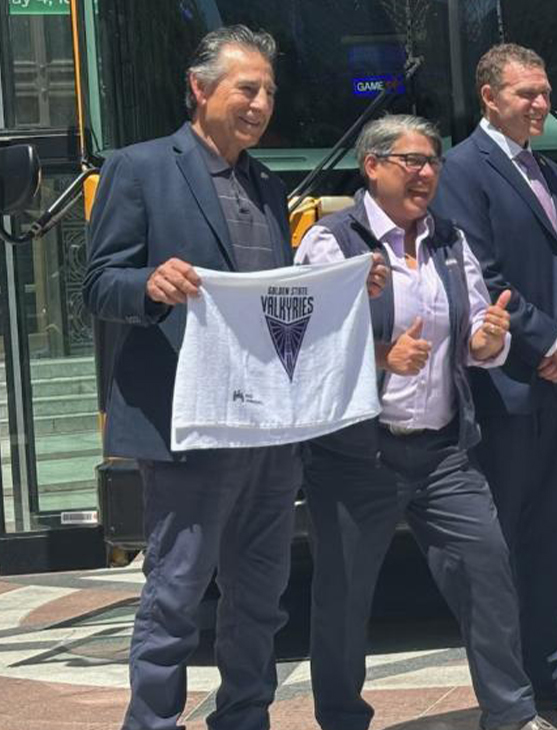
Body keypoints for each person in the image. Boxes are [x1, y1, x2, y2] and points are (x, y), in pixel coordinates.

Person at [83, 26, 381, 730]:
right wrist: (149, 284)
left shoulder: (269, 185)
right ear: (200, 88)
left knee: (261, 593)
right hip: (187, 424)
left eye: (269, 92)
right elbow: (99, 284)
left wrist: (342, 294)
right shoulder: (141, 168)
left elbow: (277, 302)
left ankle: (245, 717)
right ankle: (152, 722)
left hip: (268, 427)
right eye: (247, 88)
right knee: (176, 591)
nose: (261, 104)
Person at [296, 115, 554, 730]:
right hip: (359, 455)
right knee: (343, 597)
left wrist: (490, 340)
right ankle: (340, 718)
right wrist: (379, 357)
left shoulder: (450, 241)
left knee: (488, 572)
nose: (426, 172)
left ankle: (512, 714)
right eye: (411, 161)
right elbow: (302, 344)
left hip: (442, 452)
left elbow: (468, 344)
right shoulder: (333, 240)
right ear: (373, 166)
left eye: (433, 160)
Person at [432, 43, 557, 712]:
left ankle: (552, 663)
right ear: (489, 97)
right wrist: (550, 342)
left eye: (545, 92)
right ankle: (510, 688)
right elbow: (481, 276)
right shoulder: (461, 170)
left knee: (552, 534)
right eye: (527, 94)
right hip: (504, 386)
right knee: (501, 545)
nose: (542, 104)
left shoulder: (552, 172)